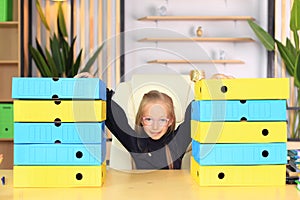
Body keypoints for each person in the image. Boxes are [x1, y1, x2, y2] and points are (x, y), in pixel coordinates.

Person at [105, 89, 191, 169]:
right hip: (144, 185)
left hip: (175, 185)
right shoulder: (136, 143)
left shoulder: (178, 141)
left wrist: (201, 90)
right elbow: (117, 118)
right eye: (149, 119)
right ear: (141, 119)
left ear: (170, 121)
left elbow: (194, 113)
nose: (155, 127)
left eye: (162, 120)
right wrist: (101, 90)